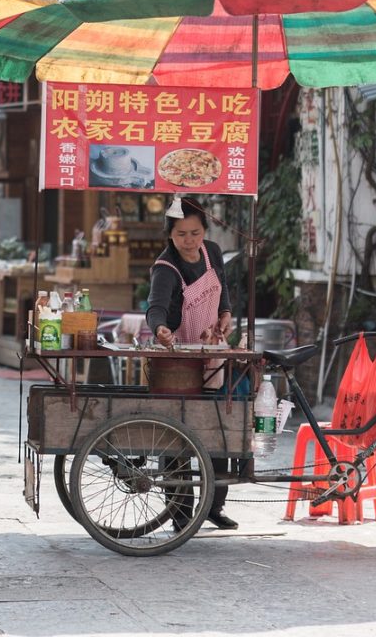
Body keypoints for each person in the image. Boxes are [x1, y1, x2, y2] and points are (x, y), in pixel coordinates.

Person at [145, 197, 236, 531]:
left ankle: (214, 505)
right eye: (181, 234)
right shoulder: (165, 267)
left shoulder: (212, 251)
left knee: (217, 427)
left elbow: (222, 288)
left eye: (195, 232)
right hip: (177, 361)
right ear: (170, 234)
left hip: (211, 352)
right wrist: (160, 329)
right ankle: (180, 511)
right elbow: (154, 307)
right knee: (177, 436)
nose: (189, 240)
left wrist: (225, 313)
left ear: (204, 231)